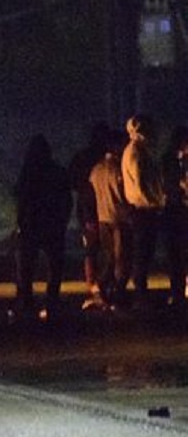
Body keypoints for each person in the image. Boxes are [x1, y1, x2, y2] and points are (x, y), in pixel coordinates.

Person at [11, 134, 73, 323]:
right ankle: (51, 300)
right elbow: (67, 200)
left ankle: (26, 300)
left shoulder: (28, 172)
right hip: (52, 225)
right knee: (54, 265)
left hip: (31, 225)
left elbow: (20, 199)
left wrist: (20, 222)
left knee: (26, 267)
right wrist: (62, 221)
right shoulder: (57, 172)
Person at [122, 115, 166, 310]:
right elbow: (140, 184)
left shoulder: (140, 151)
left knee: (145, 253)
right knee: (142, 253)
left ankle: (141, 294)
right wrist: (155, 202)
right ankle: (140, 295)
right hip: (143, 210)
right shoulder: (135, 152)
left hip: (145, 209)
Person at [68, 123, 111, 310]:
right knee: (101, 250)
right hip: (95, 210)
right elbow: (73, 181)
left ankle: (96, 286)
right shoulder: (100, 159)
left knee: (93, 250)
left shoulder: (83, 157)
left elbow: (71, 181)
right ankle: (97, 286)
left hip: (91, 210)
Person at [89, 130, 132, 309]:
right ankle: (117, 293)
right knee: (122, 258)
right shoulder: (118, 168)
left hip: (103, 218)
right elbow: (125, 193)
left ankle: (103, 291)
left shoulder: (96, 169)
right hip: (120, 218)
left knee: (108, 256)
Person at [161, 125, 188, 312]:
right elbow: (169, 184)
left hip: (181, 210)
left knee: (182, 252)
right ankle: (176, 291)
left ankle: (180, 290)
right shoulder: (168, 161)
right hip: (174, 211)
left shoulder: (183, 160)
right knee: (175, 253)